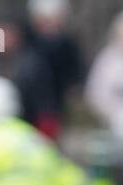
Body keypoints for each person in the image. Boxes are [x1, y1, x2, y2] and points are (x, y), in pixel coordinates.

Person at [25, 0, 84, 135]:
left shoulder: (68, 46)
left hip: (56, 108)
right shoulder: (26, 42)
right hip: (30, 107)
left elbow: (75, 76)